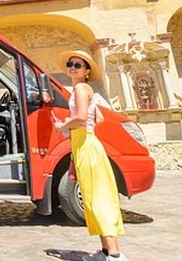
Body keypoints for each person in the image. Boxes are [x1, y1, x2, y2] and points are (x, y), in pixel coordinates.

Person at [53, 50, 128, 261]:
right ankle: (106, 252)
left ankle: (114, 253)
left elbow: (81, 117)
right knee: (94, 196)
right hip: (86, 141)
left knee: (97, 198)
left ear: (86, 71)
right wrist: (79, 127)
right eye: (70, 63)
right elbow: (100, 118)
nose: (73, 67)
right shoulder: (88, 90)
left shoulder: (79, 88)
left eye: (78, 65)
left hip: (85, 143)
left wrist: (62, 126)